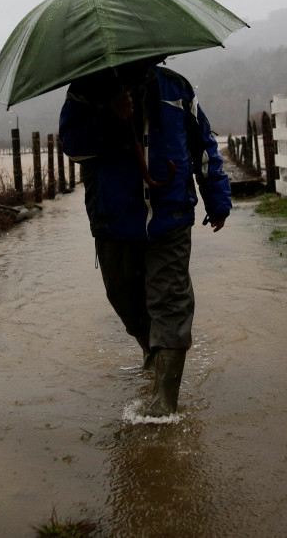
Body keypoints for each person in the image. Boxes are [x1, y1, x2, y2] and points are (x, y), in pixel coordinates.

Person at [59, 57, 232, 417]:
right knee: (124, 298)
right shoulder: (84, 92)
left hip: (171, 215)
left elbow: (203, 144)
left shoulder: (176, 87)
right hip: (114, 220)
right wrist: (111, 116)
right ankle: (150, 347)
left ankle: (164, 400)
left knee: (171, 299)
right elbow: (73, 147)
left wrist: (216, 198)